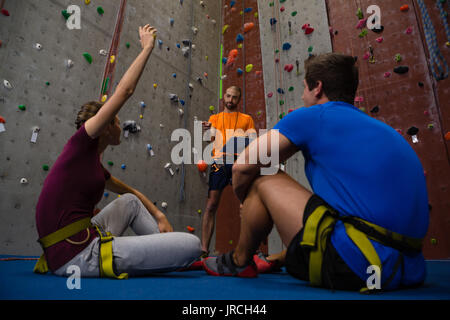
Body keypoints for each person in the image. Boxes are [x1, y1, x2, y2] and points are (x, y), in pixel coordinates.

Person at [203, 53, 429, 292]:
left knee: (262, 173)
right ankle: (279, 257)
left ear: (317, 88)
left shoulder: (315, 115)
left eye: (304, 89)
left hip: (357, 265)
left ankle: (239, 261)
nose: (302, 96)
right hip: (407, 269)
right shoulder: (380, 128)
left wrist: (246, 205)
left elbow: (242, 166)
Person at [34, 25, 201, 278]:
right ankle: (176, 252)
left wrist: (158, 215)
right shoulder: (80, 144)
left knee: (130, 203)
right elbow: (125, 91)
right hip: (77, 254)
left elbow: (130, 193)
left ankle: (166, 248)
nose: (120, 125)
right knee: (192, 245)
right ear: (104, 126)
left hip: (77, 240)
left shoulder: (92, 165)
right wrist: (147, 47)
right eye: (115, 121)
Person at [200, 86, 256, 257]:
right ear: (224, 96)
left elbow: (253, 138)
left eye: (235, 97)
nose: (231, 100)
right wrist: (209, 129)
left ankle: (247, 250)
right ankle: (203, 250)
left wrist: (249, 136)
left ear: (239, 99)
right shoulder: (214, 118)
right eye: (229, 96)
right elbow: (210, 138)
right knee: (211, 205)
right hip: (218, 162)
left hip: (238, 162)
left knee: (246, 206)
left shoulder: (247, 119)